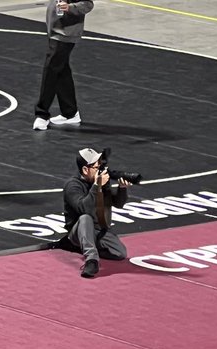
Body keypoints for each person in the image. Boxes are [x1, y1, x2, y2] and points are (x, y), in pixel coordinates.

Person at [62, 147, 129, 278]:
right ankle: (91, 260)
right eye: (96, 168)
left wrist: (122, 189)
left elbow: (118, 204)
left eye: (100, 166)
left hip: (97, 230)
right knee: (85, 218)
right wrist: (97, 186)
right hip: (77, 230)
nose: (99, 170)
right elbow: (84, 208)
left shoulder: (100, 181)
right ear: (85, 170)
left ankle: (86, 244)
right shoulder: (72, 185)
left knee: (119, 253)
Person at [33, 0, 94, 130]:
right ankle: (70, 112)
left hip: (66, 32)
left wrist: (69, 7)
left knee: (51, 68)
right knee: (61, 70)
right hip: (55, 27)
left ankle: (42, 113)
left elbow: (87, 4)